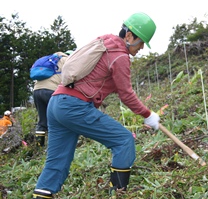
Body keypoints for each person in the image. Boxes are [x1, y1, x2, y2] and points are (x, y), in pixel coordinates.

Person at [32, 12, 160, 199]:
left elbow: (107, 83)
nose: (141, 48)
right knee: (123, 140)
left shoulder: (105, 43)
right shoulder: (120, 55)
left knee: (56, 163)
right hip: (74, 106)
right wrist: (148, 114)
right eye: (141, 42)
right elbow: (126, 94)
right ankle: (117, 194)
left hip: (57, 103)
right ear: (130, 36)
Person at [33, 51, 72, 147]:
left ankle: (39, 145)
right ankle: (57, 145)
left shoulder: (49, 59)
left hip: (36, 91)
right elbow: (70, 77)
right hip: (52, 91)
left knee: (42, 120)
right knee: (56, 118)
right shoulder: (66, 60)